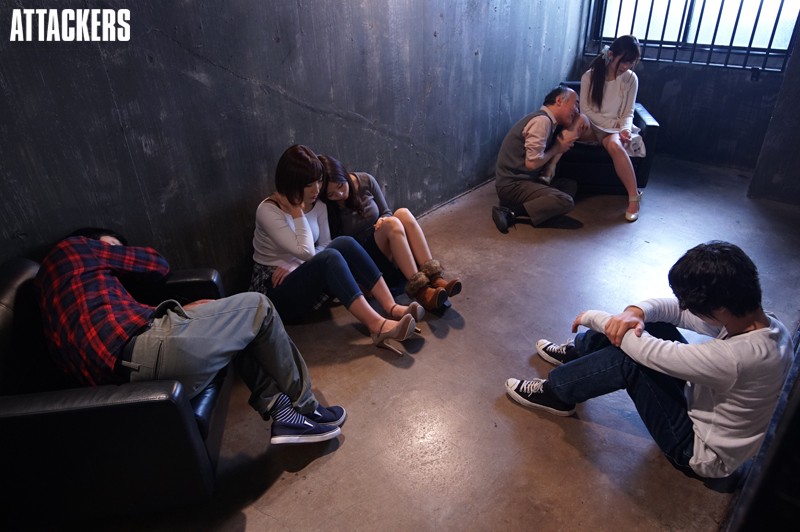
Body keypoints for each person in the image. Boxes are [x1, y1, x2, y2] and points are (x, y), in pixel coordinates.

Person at [505, 241, 794, 479]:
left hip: (698, 451)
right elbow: (676, 313)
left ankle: (556, 393)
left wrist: (594, 318)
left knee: (631, 359)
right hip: (701, 402)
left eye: (694, 304)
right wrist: (635, 312)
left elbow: (647, 352)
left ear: (720, 308)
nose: (686, 307)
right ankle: (580, 352)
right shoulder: (763, 323)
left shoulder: (737, 358)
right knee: (644, 324)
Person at [34, 227, 345, 445]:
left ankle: (285, 414)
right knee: (259, 306)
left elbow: (115, 331)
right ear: (95, 242)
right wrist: (116, 250)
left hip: (123, 386)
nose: (114, 254)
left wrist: (187, 313)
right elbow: (157, 265)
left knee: (236, 327)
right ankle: (307, 406)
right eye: (111, 246)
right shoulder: (75, 247)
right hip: (146, 353)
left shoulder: (56, 293)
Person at [249, 145, 421, 354]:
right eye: (309, 184)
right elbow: (307, 251)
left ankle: (391, 307)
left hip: (302, 272)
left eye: (319, 181)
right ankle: (377, 326)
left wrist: (297, 262)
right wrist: (296, 211)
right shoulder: (268, 210)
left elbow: (323, 244)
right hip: (274, 289)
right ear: (292, 183)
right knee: (329, 257)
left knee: (344, 242)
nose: (316, 189)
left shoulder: (318, 205)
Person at [319, 154, 462, 313]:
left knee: (402, 213)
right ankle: (421, 291)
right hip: (362, 257)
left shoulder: (365, 180)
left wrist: (383, 219)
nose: (339, 195)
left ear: (344, 175)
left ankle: (435, 277)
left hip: (380, 241)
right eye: (331, 194)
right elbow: (336, 247)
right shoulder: (325, 207)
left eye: (340, 186)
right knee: (392, 224)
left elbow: (386, 211)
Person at [492, 86, 585, 233]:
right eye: (576, 104)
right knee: (565, 201)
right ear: (559, 100)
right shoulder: (542, 121)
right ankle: (510, 213)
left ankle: (536, 209)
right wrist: (557, 148)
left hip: (527, 181)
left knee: (569, 185)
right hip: (512, 186)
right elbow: (532, 163)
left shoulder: (547, 121)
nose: (577, 111)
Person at [578, 35, 644, 222]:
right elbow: (585, 109)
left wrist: (625, 129)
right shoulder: (590, 76)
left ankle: (634, 198)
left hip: (613, 130)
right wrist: (610, 124)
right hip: (592, 125)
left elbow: (629, 111)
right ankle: (548, 173)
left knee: (615, 146)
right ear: (611, 55)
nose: (627, 66)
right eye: (624, 61)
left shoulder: (631, 79)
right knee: (570, 130)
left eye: (631, 62)